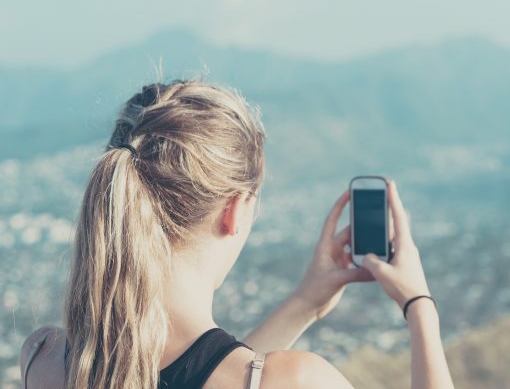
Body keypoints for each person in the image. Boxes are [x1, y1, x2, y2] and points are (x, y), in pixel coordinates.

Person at [19, 79, 454, 389]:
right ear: (233, 211)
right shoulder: (300, 381)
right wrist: (419, 305)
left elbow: (196, 370)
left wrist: (305, 303)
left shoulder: (43, 358)